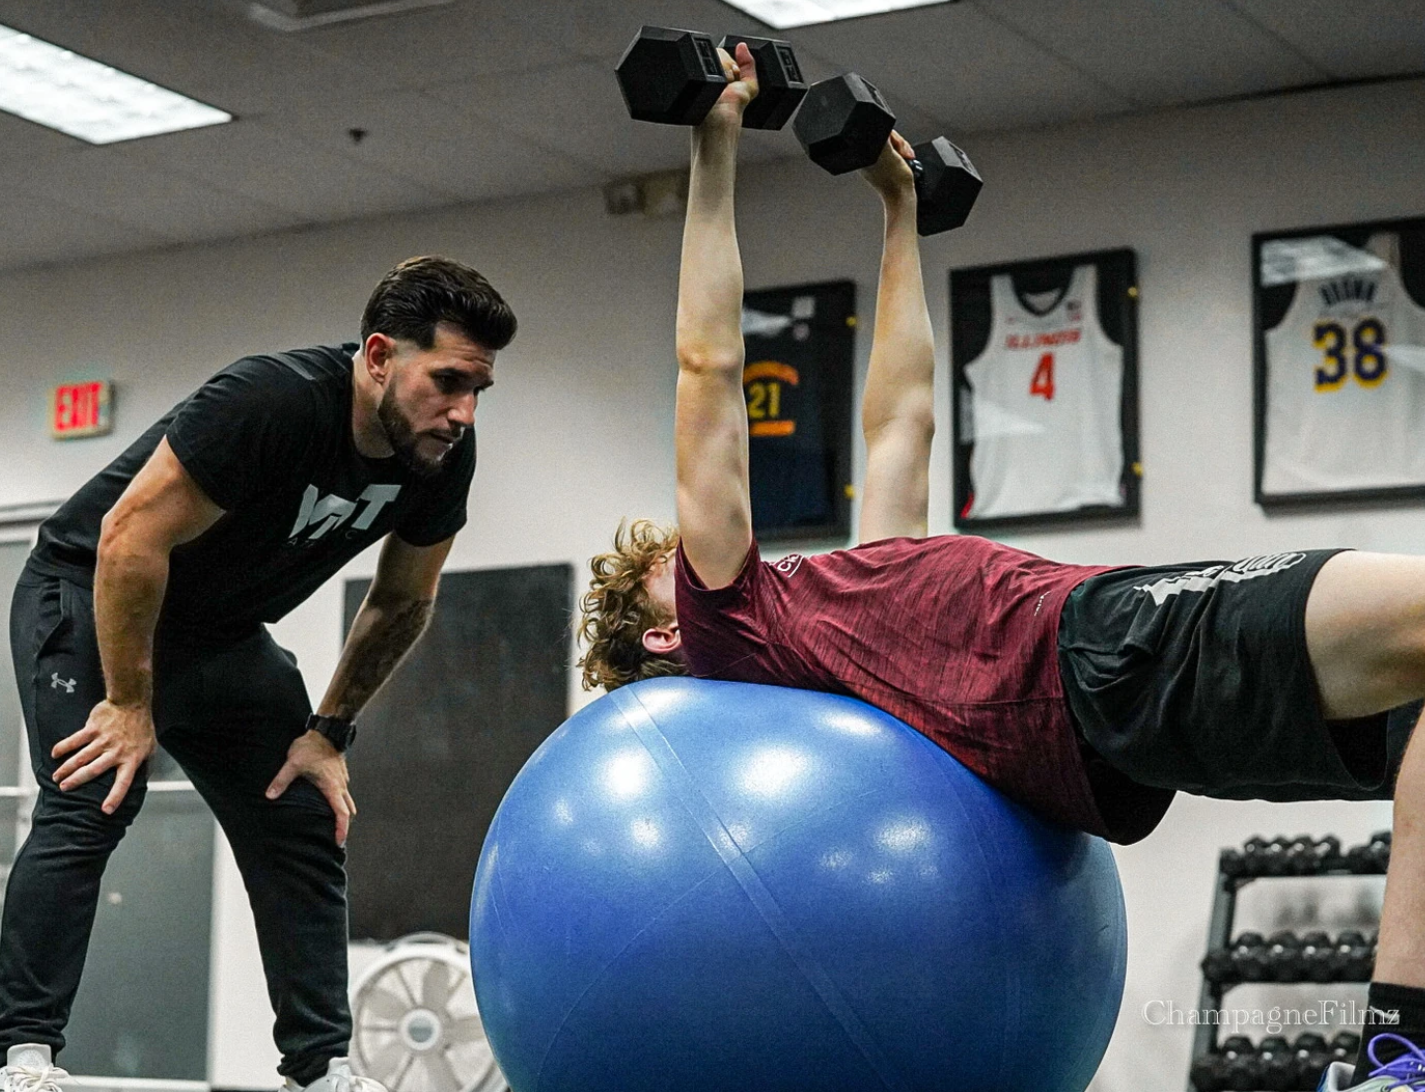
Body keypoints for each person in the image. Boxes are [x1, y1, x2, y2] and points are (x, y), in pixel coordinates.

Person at [576, 45, 1425, 1090]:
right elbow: (706, 368)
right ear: (668, 630)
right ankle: (1402, 1060)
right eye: (670, 562)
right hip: (1101, 654)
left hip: (1118, 700)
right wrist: (713, 139)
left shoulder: (835, 623)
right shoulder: (733, 619)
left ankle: (1399, 1053)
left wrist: (896, 213)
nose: (694, 542)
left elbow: (902, 419)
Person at [0, 256, 515, 1092]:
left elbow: (403, 600)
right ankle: (24, 1058)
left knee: (300, 805)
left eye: (479, 388)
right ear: (380, 356)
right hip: (94, 592)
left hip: (222, 632)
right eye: (447, 381)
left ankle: (320, 1067)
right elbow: (129, 540)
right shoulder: (268, 402)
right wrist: (129, 701)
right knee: (93, 795)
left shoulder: (442, 455)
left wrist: (328, 732)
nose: (462, 411)